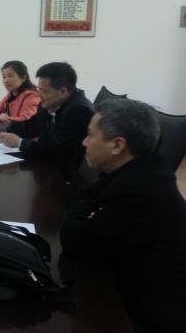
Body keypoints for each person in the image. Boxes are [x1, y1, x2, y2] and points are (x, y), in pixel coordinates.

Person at [60, 99, 186, 333]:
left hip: (149, 316)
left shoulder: (142, 190)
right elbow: (81, 201)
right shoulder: (144, 169)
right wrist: (85, 208)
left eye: (90, 135)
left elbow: (74, 240)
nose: (84, 142)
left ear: (117, 145)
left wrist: (82, 208)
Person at [0, 62, 93, 176]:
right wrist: (9, 125)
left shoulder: (79, 111)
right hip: (44, 165)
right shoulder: (50, 101)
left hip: (62, 174)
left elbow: (60, 152)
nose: (39, 94)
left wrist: (20, 143)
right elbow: (32, 126)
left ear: (62, 91)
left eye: (44, 91)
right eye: (39, 89)